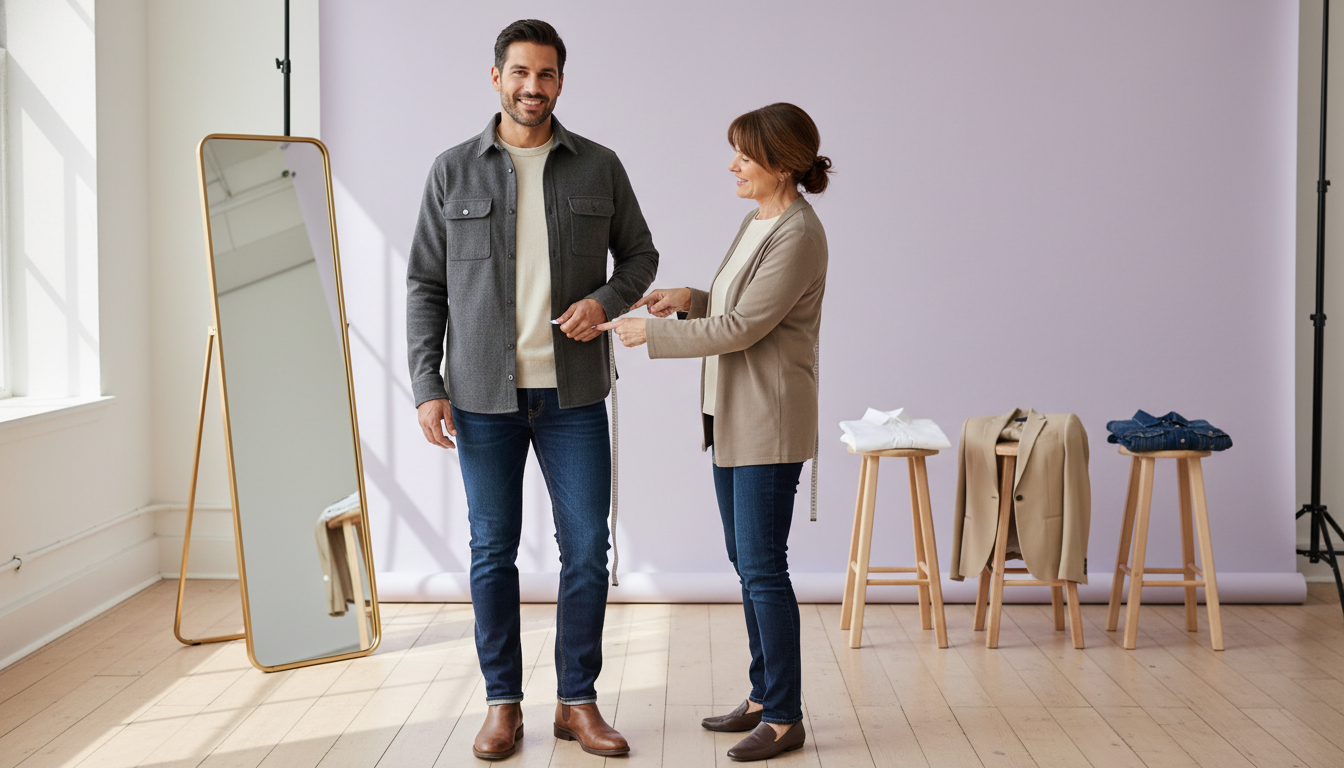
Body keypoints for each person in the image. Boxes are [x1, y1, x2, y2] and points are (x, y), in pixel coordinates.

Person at [405, 19, 658, 761]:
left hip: (573, 395)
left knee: (586, 549)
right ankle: (502, 704)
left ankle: (577, 702)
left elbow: (640, 255)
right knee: (493, 552)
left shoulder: (598, 166)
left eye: (546, 75)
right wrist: (427, 382)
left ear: (560, 82)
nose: (532, 87)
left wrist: (606, 303)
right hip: (482, 396)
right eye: (520, 73)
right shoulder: (453, 171)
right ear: (496, 78)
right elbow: (425, 284)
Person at [599, 102, 830, 762]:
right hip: (731, 418)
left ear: (782, 166)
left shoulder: (799, 233)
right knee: (747, 564)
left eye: (745, 156)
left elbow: (745, 329)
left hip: (769, 423)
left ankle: (784, 717)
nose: (733, 165)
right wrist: (688, 298)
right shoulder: (757, 221)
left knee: (763, 568)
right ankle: (763, 695)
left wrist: (657, 332)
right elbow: (732, 308)